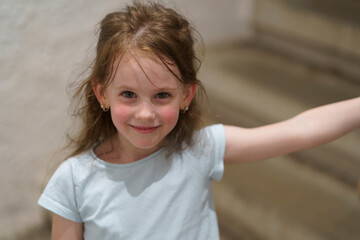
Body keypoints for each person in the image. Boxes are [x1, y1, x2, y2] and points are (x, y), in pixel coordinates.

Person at [38, 1, 360, 240]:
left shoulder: (199, 150)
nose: (146, 113)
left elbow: (297, 132)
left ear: (187, 95)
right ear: (102, 94)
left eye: (162, 95)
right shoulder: (74, 182)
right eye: (128, 95)